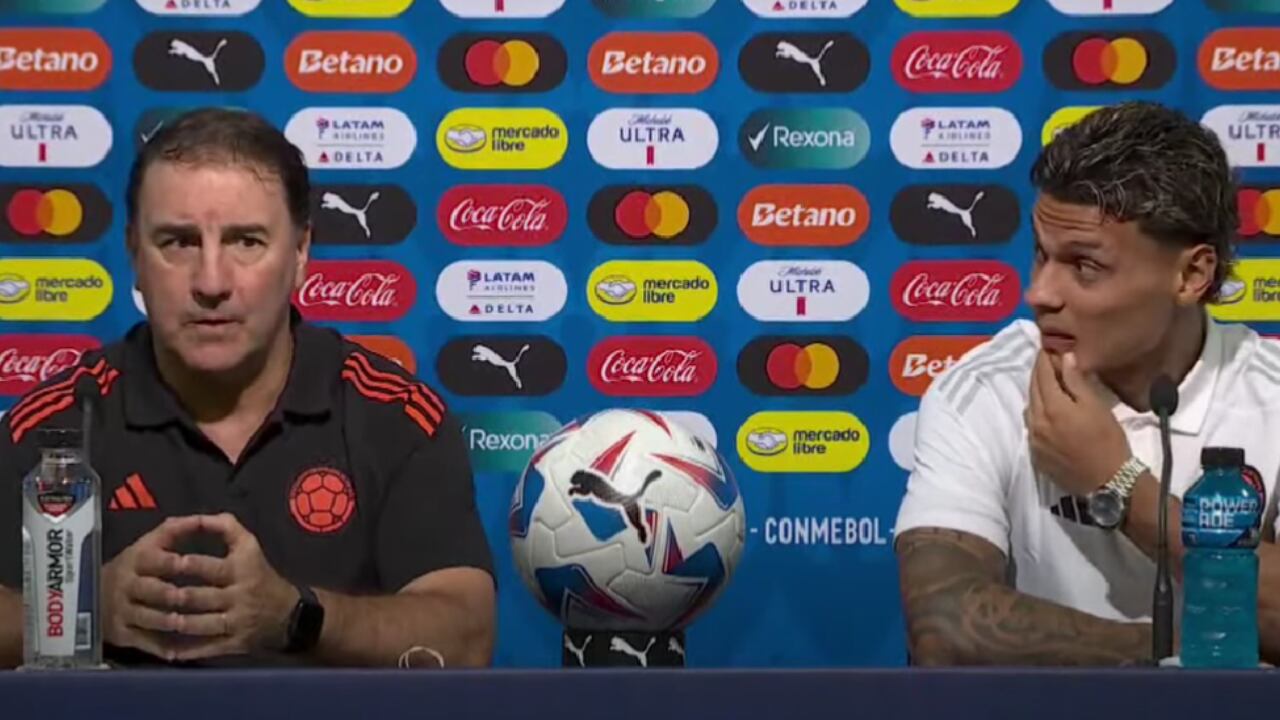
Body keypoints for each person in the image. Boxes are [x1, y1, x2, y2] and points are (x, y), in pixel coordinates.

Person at [0, 108, 495, 669]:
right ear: (134, 255)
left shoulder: (397, 417)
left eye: (246, 242)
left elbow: (466, 636)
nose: (211, 282)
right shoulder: (50, 424)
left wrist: (296, 616)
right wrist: (84, 608)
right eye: (179, 242)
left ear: (301, 252)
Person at [894, 100, 1280, 666]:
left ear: (1191, 275)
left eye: (1085, 266)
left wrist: (1119, 486)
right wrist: (1191, 654)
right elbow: (944, 629)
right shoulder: (983, 391)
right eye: (1041, 256)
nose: (1041, 294)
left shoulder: (1269, 398)